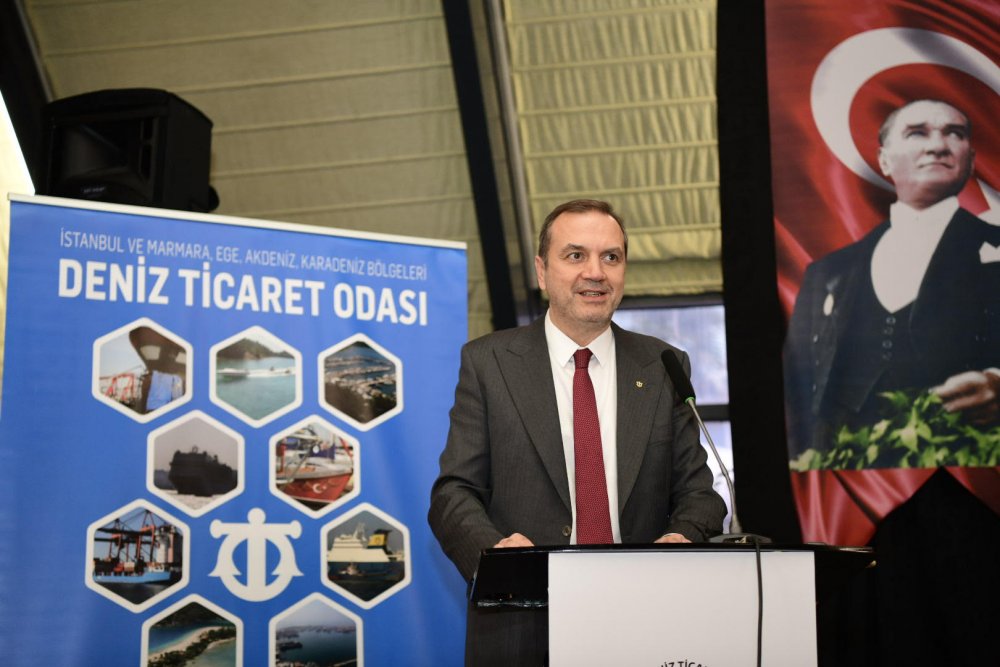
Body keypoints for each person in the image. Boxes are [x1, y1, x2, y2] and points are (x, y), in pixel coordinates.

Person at [428, 199, 726, 663]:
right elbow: (453, 493)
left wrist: (682, 536)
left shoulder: (664, 365)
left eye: (611, 257)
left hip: (644, 618)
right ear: (542, 272)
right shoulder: (489, 362)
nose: (596, 272)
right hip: (523, 620)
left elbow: (700, 495)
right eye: (575, 255)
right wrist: (498, 555)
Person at [784, 99, 1000, 457]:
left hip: (969, 469)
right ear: (884, 160)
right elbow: (796, 388)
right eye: (917, 133)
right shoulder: (828, 273)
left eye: (954, 133)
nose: (938, 145)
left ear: (971, 159)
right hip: (848, 473)